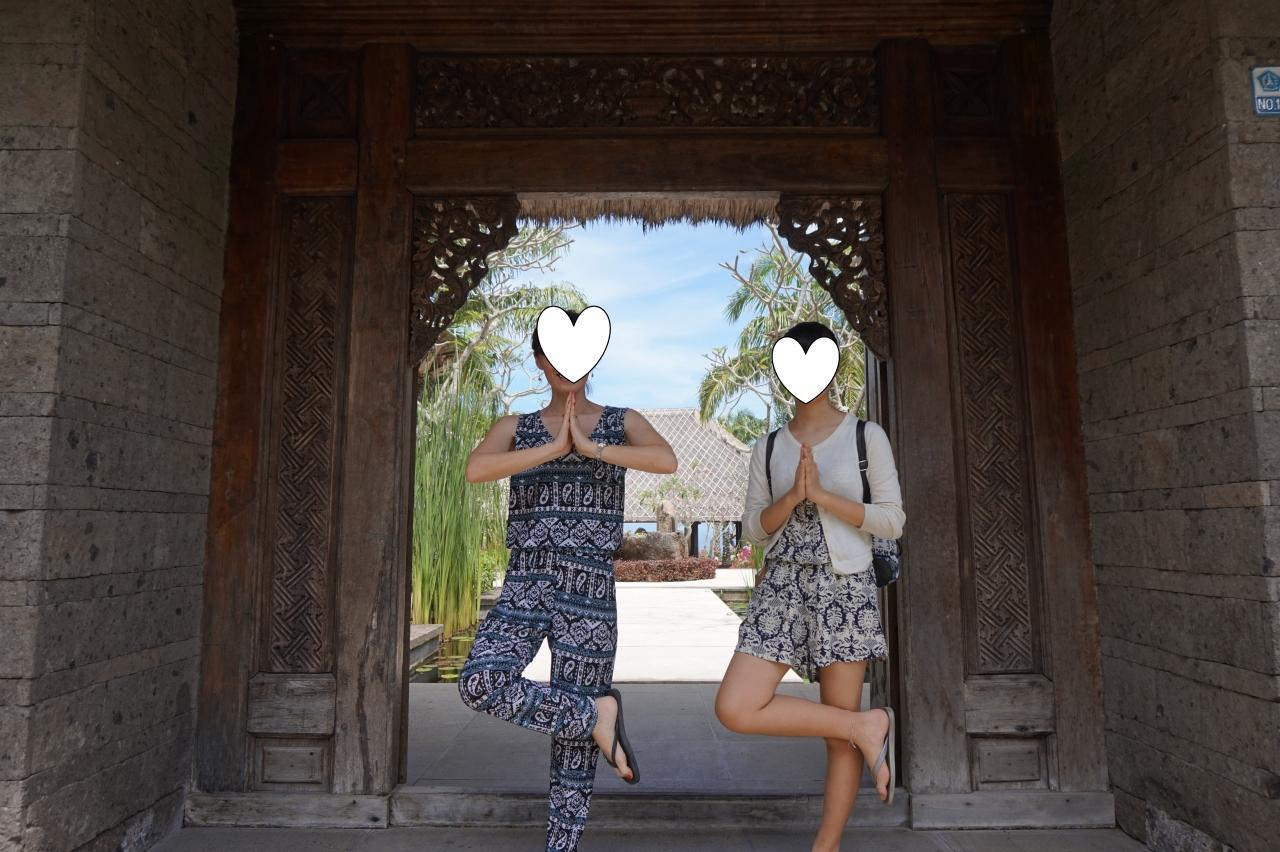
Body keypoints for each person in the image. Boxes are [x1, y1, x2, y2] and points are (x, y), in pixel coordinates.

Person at [457, 309, 677, 852]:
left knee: (573, 752)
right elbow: (475, 469)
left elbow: (665, 459)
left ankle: (563, 845)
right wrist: (555, 448)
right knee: (480, 682)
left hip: (589, 581)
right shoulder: (516, 427)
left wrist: (591, 448)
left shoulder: (620, 421)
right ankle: (596, 715)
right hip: (527, 577)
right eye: (555, 354)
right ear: (540, 360)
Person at [715, 320, 906, 852]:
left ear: (832, 367)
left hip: (845, 587)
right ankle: (867, 725)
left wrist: (822, 496)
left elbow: (892, 520)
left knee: (836, 737)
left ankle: (826, 847)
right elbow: (754, 529)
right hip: (780, 586)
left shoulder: (866, 436)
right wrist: (793, 497)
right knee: (735, 706)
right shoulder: (769, 446)